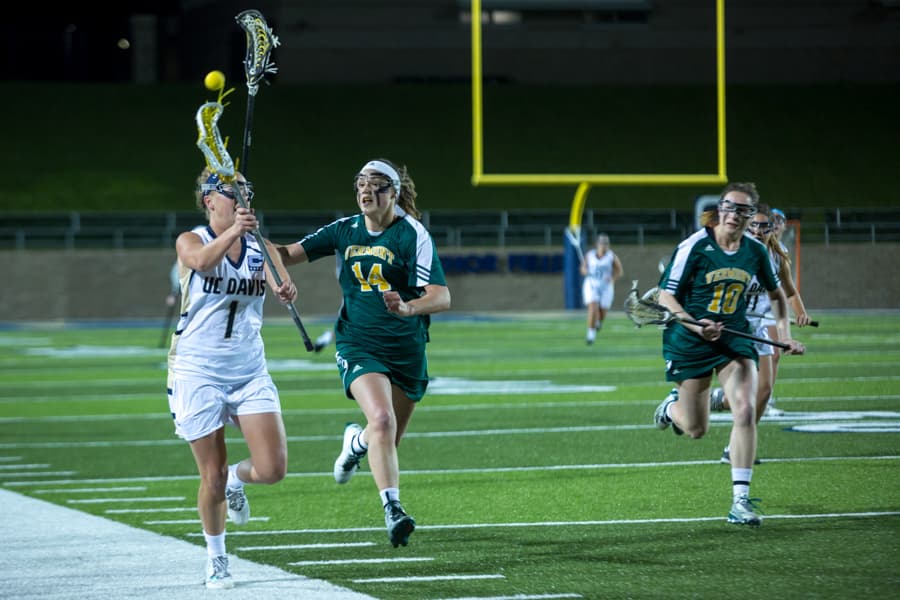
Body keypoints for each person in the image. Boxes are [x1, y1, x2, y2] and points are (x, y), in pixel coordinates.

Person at [277, 158, 450, 548]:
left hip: (407, 349)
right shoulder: (344, 230)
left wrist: (408, 307)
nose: (366, 191)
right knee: (383, 421)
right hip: (358, 342)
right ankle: (394, 509)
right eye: (360, 184)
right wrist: (250, 237)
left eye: (376, 184)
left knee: (384, 439)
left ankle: (354, 443)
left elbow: (441, 296)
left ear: (394, 192)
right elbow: (283, 253)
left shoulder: (412, 235)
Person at [167, 167, 297, 589]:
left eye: (246, 193)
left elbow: (282, 280)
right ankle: (217, 557)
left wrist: (285, 288)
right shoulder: (192, 240)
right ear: (209, 200)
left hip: (248, 369)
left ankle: (241, 482)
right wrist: (235, 234)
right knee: (212, 474)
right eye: (232, 193)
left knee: (273, 467)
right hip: (197, 370)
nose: (242, 200)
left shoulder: (259, 244)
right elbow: (202, 263)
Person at [652, 182, 805, 527]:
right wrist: (695, 325)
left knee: (747, 408)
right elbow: (665, 297)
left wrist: (785, 335)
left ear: (751, 215)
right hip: (689, 340)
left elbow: (778, 296)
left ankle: (740, 501)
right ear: (720, 208)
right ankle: (670, 408)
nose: (734, 214)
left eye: (742, 209)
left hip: (733, 341)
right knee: (695, 429)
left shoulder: (755, 251)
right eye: (729, 207)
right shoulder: (695, 246)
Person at [708, 204, 812, 463]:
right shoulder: (734, 252)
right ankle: (733, 435)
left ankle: (734, 444)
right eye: (753, 225)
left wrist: (799, 312)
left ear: (771, 229)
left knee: (764, 392)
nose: (758, 230)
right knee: (747, 394)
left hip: (759, 325)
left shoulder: (776, 255)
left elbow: (788, 292)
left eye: (763, 226)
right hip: (735, 325)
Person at [579, 233, 624, 345]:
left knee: (602, 312)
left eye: (606, 243)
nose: (604, 245)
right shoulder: (590, 255)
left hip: (606, 286)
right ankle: (591, 335)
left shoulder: (611, 256)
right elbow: (583, 268)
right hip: (591, 284)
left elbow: (619, 271)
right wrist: (585, 271)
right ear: (597, 244)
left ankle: (598, 322)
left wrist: (612, 278)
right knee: (593, 307)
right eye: (602, 243)